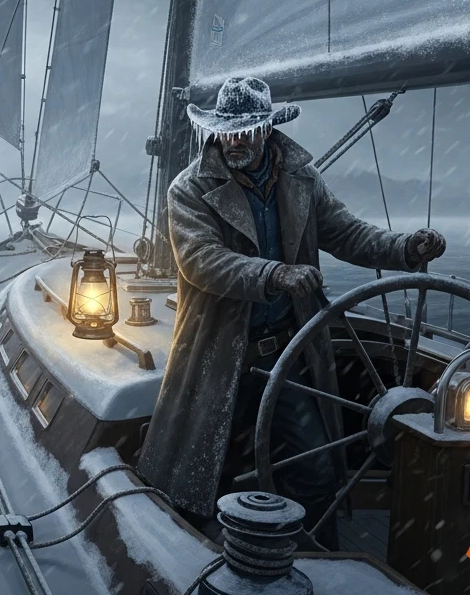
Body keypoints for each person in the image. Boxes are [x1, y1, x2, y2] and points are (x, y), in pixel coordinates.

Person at [136, 76, 445, 550]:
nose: (236, 140)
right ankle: (189, 560)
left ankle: (320, 559)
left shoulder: (303, 180)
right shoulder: (189, 190)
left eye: (248, 129)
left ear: (268, 129)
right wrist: (273, 274)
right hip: (218, 355)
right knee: (202, 477)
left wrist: (404, 248)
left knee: (315, 472)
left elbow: (348, 234)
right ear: (217, 129)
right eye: (229, 130)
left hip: (286, 353)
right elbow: (201, 261)